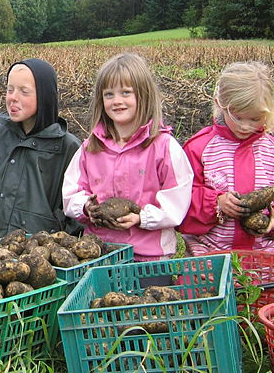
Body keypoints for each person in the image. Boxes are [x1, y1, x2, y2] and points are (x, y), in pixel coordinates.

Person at [62, 52, 194, 265]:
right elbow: (70, 193)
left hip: (149, 257)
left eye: (126, 93)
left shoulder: (164, 147)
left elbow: (177, 199)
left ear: (143, 96)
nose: (117, 101)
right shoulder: (90, 148)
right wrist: (87, 207)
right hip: (99, 253)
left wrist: (142, 217)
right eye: (109, 94)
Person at [178, 61, 274, 254]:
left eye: (255, 119)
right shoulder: (198, 149)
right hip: (210, 255)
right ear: (219, 104)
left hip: (267, 255)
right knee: (198, 283)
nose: (245, 126)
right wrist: (217, 203)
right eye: (238, 117)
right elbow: (180, 204)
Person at [0, 58, 83, 240]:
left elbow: (76, 216)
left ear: (45, 96)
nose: (13, 97)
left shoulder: (68, 148)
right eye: (10, 90)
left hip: (39, 259)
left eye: (24, 92)